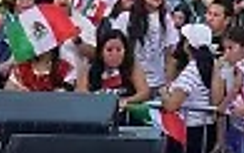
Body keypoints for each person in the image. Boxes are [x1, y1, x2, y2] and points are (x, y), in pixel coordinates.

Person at [162, 23, 216, 153]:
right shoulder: (210, 64)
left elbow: (171, 105)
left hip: (190, 130)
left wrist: (163, 93)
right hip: (203, 128)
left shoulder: (192, 70)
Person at [77, 29, 151, 113]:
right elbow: (81, 94)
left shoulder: (132, 67)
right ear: (101, 52)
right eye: (109, 50)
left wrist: (126, 100)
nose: (114, 54)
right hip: (96, 113)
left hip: (124, 113)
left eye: (119, 50)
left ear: (125, 51)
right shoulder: (88, 68)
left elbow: (144, 93)